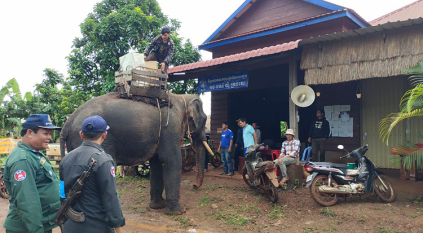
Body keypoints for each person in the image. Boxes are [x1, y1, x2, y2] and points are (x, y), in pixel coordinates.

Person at [59, 115, 125, 233]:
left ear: (81, 134)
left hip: (70, 225)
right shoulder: (104, 160)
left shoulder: (65, 159)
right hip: (97, 227)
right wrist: (119, 228)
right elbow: (110, 197)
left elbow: (62, 193)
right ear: (104, 135)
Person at [3, 114, 61, 233]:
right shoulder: (22, 160)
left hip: (40, 224)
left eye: (50, 134)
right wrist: (37, 230)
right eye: (45, 133)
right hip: (28, 228)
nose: (49, 137)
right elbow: (27, 201)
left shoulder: (34, 154)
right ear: (30, 132)